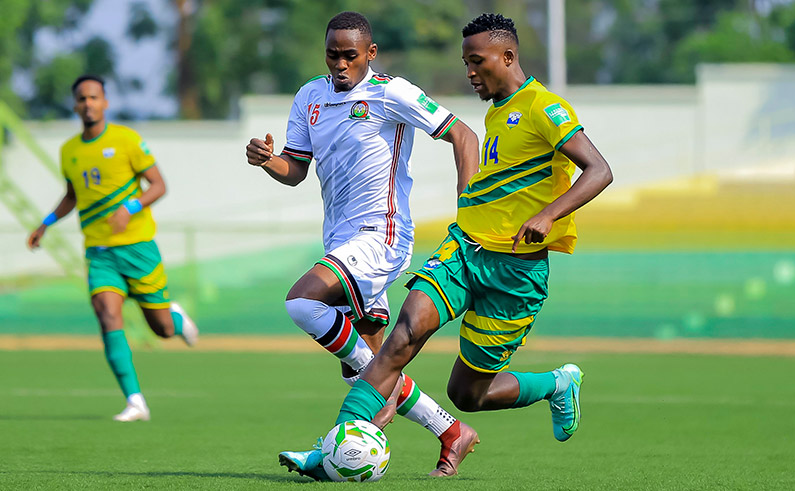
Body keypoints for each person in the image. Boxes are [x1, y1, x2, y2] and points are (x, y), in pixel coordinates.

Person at [315, 11, 614, 470]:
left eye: (477, 62)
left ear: (508, 56)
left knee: (468, 394)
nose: (470, 73)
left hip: (517, 273)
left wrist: (547, 215)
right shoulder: (498, 109)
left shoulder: (544, 108)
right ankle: (335, 447)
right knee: (403, 335)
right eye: (465, 62)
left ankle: (557, 384)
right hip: (465, 251)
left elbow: (600, 170)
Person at [244, 11, 480, 479]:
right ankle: (451, 431)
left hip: (382, 236)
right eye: (333, 54)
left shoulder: (392, 92)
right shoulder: (310, 96)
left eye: (350, 55)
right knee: (373, 366)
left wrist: (468, 215)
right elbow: (295, 170)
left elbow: (463, 134)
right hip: (340, 239)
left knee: (302, 302)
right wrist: (269, 160)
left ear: (370, 54)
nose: (340, 64)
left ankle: (337, 440)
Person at [27, 74, 198, 423]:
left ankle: (176, 319)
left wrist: (130, 207)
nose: (87, 104)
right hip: (100, 253)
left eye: (93, 97)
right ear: (75, 105)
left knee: (161, 329)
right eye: (81, 99)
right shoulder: (69, 151)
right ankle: (135, 401)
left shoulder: (126, 140)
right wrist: (45, 223)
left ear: (105, 102)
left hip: (138, 249)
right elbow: (72, 196)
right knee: (107, 316)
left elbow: (159, 185)